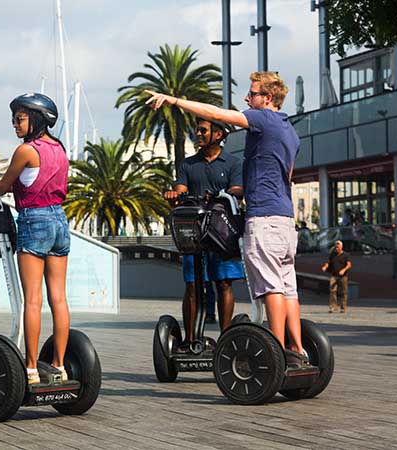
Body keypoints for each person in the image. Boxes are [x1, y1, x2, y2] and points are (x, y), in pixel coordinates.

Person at [147, 71, 309, 366]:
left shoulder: (264, 119)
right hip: (285, 218)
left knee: (270, 287)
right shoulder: (290, 130)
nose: (247, 100)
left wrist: (173, 100)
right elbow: (288, 175)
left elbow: (217, 113)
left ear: (268, 98)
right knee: (288, 288)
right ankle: (297, 349)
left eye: (252, 94)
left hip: (265, 218)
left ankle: (278, 352)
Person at [0, 92, 71, 385]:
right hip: (60, 221)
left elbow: (2, 187)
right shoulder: (60, 149)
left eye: (20, 118)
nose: (14, 124)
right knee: (59, 299)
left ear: (36, 119)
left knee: (33, 300)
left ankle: (31, 368)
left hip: (34, 220)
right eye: (14, 119)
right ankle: (60, 366)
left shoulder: (27, 150)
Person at [164, 119, 245, 348]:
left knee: (224, 284)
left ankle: (226, 340)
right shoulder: (188, 165)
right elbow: (180, 191)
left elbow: (238, 191)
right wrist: (173, 196)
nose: (197, 133)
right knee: (192, 285)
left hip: (222, 233)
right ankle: (190, 341)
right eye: (197, 130)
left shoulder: (232, 163)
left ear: (218, 134)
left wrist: (224, 194)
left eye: (203, 130)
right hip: (194, 234)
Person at [321, 240, 351, 313]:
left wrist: (343, 270)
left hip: (343, 276)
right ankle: (333, 307)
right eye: (336, 247)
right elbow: (328, 262)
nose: (337, 248)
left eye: (338, 247)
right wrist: (325, 267)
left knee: (343, 292)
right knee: (332, 290)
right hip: (334, 275)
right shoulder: (332, 254)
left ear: (341, 247)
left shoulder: (346, 255)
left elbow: (349, 264)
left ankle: (343, 307)